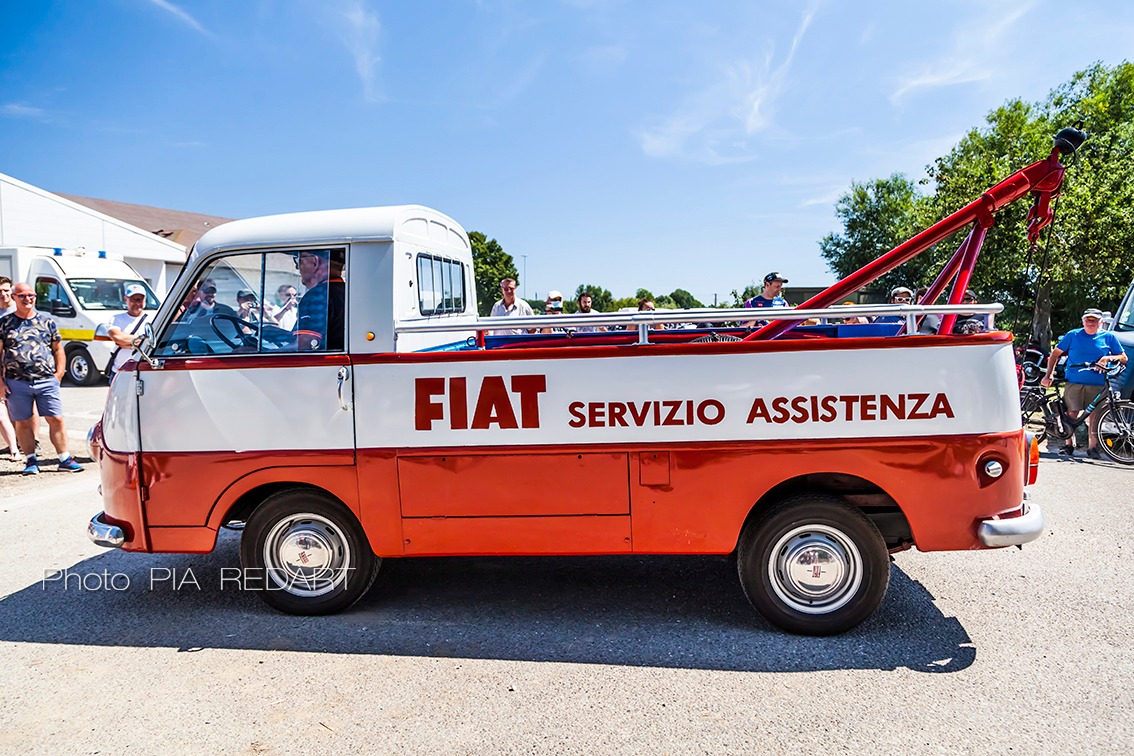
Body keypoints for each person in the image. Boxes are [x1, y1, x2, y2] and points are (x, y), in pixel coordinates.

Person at [0, 283, 83, 474]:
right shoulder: (5, 324)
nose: (27, 299)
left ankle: (64, 459)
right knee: (23, 421)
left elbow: (57, 349)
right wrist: (1, 383)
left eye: (31, 295)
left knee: (56, 418)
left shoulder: (47, 322)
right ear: (14, 297)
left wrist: (59, 374)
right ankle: (30, 461)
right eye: (22, 296)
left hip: (46, 380)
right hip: (16, 382)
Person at [1041, 308, 1128, 459]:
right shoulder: (1073, 335)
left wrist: (1107, 359)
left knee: (1094, 416)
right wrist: (1048, 375)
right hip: (1074, 381)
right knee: (1071, 413)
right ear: (1083, 321)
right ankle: (1068, 444)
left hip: (1098, 383)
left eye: (1094, 320)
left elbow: (1123, 357)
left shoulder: (1108, 337)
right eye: (1088, 319)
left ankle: (1092, 448)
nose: (1091, 322)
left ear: (1101, 322)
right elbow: (1056, 353)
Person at [295, 249, 345, 351]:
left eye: (299, 261)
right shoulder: (348, 292)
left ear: (315, 262)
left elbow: (304, 345)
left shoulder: (317, 296)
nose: (297, 267)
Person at [105, 284, 150, 379]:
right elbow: (117, 337)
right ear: (126, 299)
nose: (137, 303)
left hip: (143, 372)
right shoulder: (117, 318)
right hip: (120, 372)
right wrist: (141, 343)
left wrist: (127, 344)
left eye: (140, 299)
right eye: (133, 299)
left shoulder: (152, 319)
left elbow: (155, 341)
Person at [0, 276, 18, 461]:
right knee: (5, 405)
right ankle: (13, 442)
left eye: (6, 290)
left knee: (19, 404)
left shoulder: (18, 309)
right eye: (0, 291)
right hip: (1, 364)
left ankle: (29, 441)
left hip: (16, 365)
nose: (3, 294)